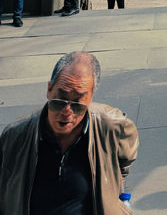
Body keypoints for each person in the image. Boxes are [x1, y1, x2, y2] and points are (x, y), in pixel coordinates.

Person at [0, 51, 138, 214]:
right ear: (49, 90)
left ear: (90, 98)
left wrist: (112, 190)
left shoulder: (115, 127)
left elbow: (124, 163)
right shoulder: (15, 136)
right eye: (59, 101)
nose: (67, 111)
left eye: (77, 104)